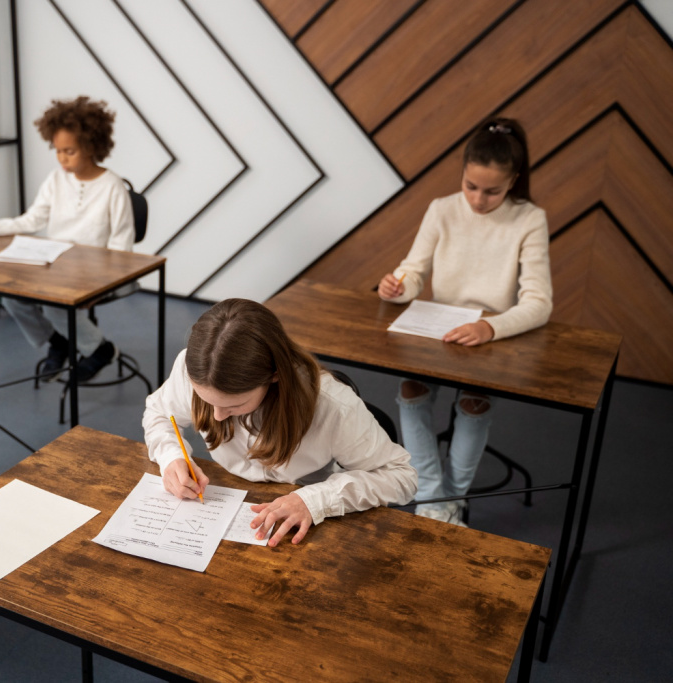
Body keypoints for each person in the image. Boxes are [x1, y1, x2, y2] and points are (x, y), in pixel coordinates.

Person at [378, 118, 553, 527]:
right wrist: (398, 287)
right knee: (411, 387)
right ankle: (436, 499)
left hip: (494, 333)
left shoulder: (529, 219)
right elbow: (413, 272)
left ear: (514, 180)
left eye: (491, 191)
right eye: (470, 186)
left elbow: (539, 303)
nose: (477, 199)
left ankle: (447, 499)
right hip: (439, 324)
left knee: (475, 401)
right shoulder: (441, 209)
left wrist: (490, 328)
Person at [142, 299, 417, 547]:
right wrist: (170, 457)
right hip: (228, 499)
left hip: (305, 516)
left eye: (234, 405)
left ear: (273, 376)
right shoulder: (192, 368)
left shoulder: (334, 407)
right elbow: (158, 413)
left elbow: (401, 477)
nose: (216, 416)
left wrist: (314, 500)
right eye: (206, 400)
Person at [0, 95, 134, 383]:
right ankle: (57, 340)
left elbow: (122, 247)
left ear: (91, 145)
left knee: (52, 303)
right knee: (10, 294)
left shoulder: (113, 187)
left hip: (98, 272)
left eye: (69, 151)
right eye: (57, 151)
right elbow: (30, 220)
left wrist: (102, 287)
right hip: (56, 264)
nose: (62, 158)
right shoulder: (56, 179)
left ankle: (100, 349)